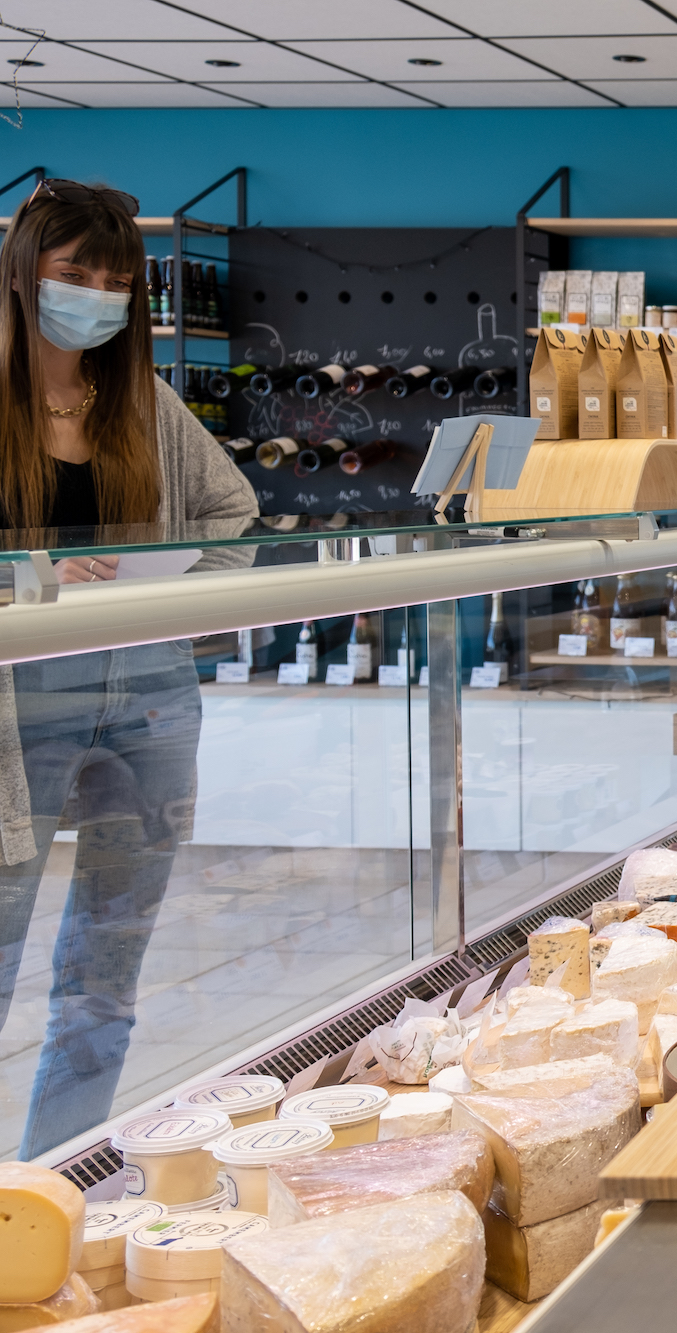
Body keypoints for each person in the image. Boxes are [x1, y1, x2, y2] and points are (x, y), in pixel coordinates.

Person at [0, 178, 255, 1158]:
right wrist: (36, 577)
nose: (97, 296)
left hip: (146, 701)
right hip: (18, 705)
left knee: (103, 979)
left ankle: (57, 1179)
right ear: (23, 274)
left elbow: (232, 518)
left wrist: (177, 601)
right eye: (75, 274)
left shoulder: (138, 398)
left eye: (115, 279)